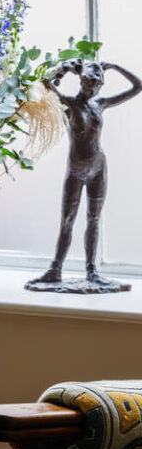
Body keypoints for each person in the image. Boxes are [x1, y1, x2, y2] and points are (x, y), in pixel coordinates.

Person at [27, 58, 142, 291]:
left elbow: (138, 86)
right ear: (81, 81)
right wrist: (64, 68)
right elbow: (44, 84)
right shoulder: (68, 104)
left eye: (98, 84)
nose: (94, 88)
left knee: (94, 219)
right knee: (67, 220)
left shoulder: (101, 104)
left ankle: (92, 271)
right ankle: (55, 269)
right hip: (76, 170)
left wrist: (115, 66)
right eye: (90, 83)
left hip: (98, 166)